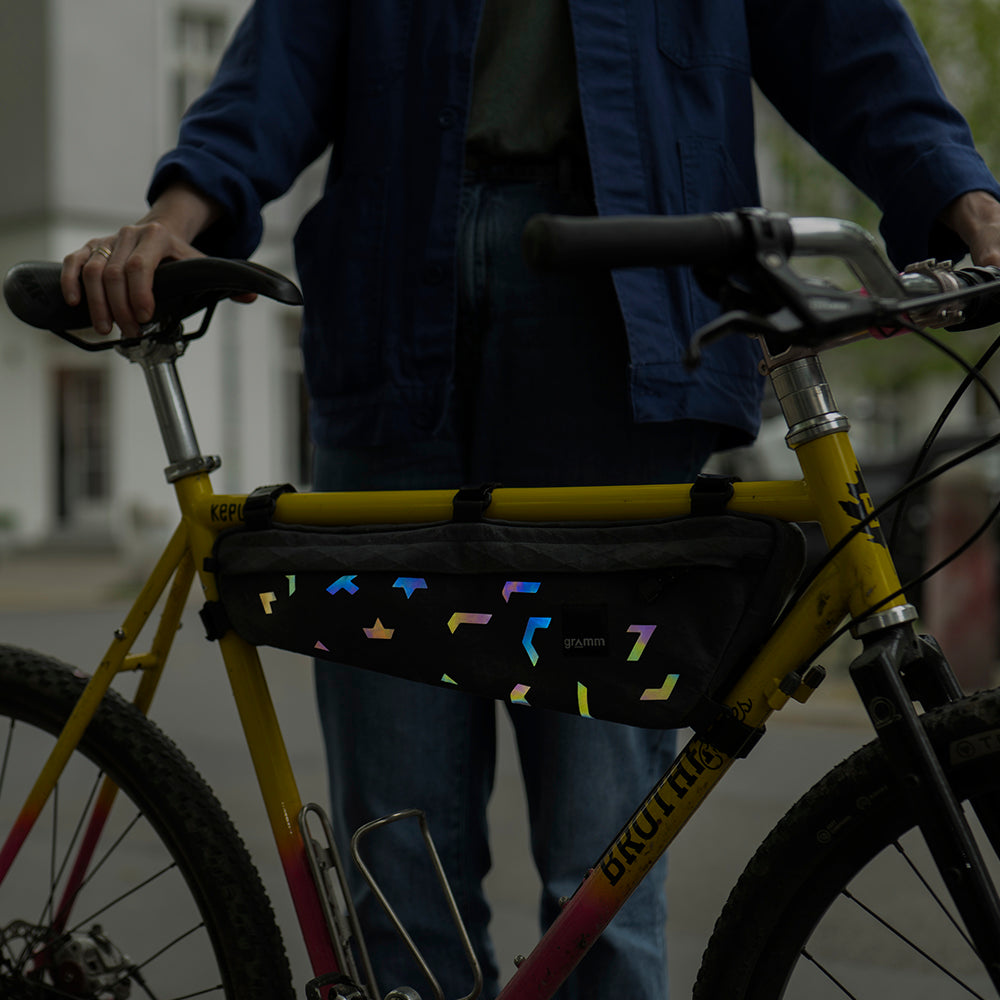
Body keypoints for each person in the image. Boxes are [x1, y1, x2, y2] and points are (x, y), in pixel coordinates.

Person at [62, 2, 1000, 998]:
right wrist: (174, 218)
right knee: (400, 862)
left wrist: (962, 195)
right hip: (394, 309)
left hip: (624, 310)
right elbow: (284, 49)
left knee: (608, 866)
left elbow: (841, 34)